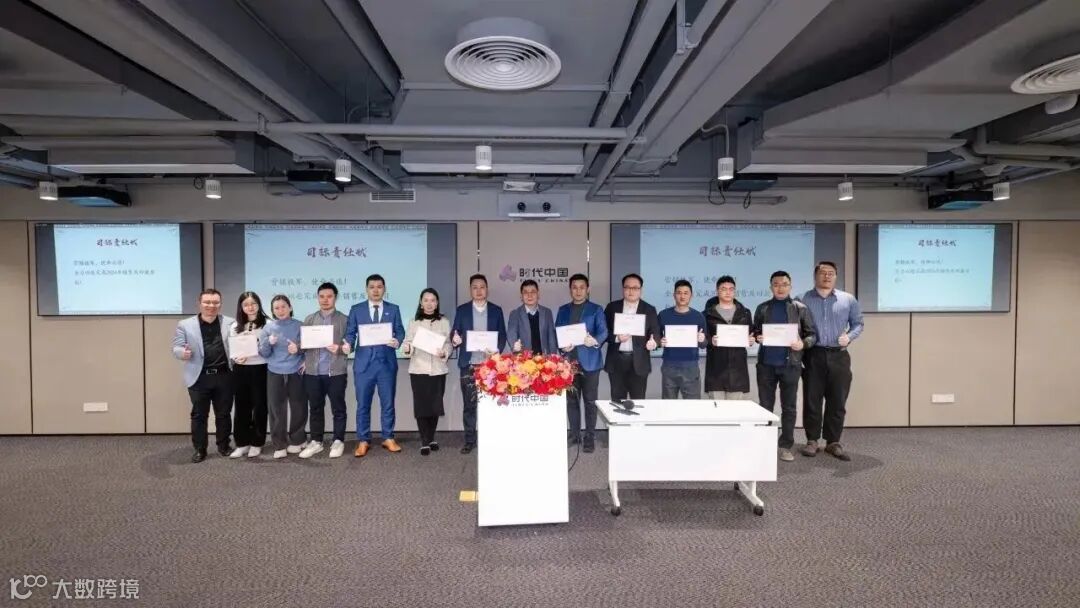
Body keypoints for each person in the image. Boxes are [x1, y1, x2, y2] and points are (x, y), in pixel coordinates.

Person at [798, 261, 864, 461]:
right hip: (813, 354)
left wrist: (849, 337)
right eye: (823, 272)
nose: (827, 276)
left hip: (839, 355)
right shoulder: (802, 299)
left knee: (837, 399)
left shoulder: (848, 299)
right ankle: (812, 440)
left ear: (836, 276)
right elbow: (795, 326)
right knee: (812, 399)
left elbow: (858, 324)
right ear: (815, 275)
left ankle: (833, 442)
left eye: (831, 273)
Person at [753, 270, 817, 462]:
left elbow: (812, 335)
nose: (780, 288)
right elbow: (755, 331)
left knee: (789, 407)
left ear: (790, 286)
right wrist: (757, 336)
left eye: (784, 284)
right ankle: (764, 444)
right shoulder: (762, 308)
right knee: (765, 406)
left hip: (791, 365)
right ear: (771, 287)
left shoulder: (800, 308)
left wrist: (802, 344)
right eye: (776, 284)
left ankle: (786, 446)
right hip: (766, 365)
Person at [343, 274, 405, 457]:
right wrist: (348, 345)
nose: (376, 290)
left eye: (379, 287)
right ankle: (363, 440)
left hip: (386, 364)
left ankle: (388, 437)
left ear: (384, 289)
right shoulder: (357, 309)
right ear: (366, 289)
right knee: (363, 404)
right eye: (372, 287)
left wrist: (397, 341)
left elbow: (400, 330)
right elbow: (351, 333)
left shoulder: (393, 309)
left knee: (388, 403)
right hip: (364, 365)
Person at [171, 288, 235, 463]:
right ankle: (200, 449)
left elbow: (238, 345)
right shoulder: (185, 324)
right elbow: (176, 347)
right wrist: (182, 353)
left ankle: (224, 446)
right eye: (207, 302)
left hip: (224, 376)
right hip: (199, 377)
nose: (211, 306)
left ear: (220, 304)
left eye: (215, 302)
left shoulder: (230, 323)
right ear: (199, 303)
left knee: (224, 414)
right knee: (199, 415)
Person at [450, 274, 507, 454]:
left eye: (482, 287)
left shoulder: (496, 310)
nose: (479, 290)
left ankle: (491, 439)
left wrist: (496, 350)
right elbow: (455, 332)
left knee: (491, 403)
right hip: (469, 364)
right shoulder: (462, 310)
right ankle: (469, 440)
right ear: (470, 290)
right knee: (469, 405)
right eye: (475, 287)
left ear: (487, 289)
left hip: (489, 366)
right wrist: (455, 338)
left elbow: (502, 335)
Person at [555, 273, 608, 453]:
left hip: (591, 363)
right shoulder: (563, 310)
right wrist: (562, 347)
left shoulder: (596, 309)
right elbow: (558, 332)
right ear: (570, 290)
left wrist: (594, 340)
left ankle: (589, 437)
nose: (578, 291)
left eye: (582, 287)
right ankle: (574, 434)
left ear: (588, 289)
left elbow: (603, 332)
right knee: (571, 402)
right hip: (569, 364)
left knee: (590, 402)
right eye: (574, 287)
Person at [298, 283, 349, 459]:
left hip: (335, 372)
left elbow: (350, 346)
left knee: (338, 408)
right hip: (313, 372)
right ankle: (316, 442)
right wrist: (299, 349)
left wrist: (340, 349)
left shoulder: (344, 319)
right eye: (322, 296)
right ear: (318, 298)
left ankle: (338, 440)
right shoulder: (310, 319)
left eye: (329, 296)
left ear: (336, 297)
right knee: (315, 408)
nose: (325, 300)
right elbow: (304, 345)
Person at [402, 288, 452, 456]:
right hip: (419, 369)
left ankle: (431, 437)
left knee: (435, 405)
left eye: (433, 300)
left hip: (438, 369)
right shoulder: (414, 322)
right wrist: (407, 348)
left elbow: (448, 344)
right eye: (426, 300)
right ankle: (425, 441)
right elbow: (408, 343)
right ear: (421, 303)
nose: (429, 303)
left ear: (437, 303)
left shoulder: (444, 321)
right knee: (422, 406)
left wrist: (444, 352)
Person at [258, 294, 307, 459]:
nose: (280, 310)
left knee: (299, 407)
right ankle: (279, 444)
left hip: (296, 371)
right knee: (276, 409)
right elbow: (264, 353)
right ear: (272, 311)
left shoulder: (300, 325)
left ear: (290, 307)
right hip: (274, 372)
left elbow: (308, 347)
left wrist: (298, 349)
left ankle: (297, 439)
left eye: (283, 306)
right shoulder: (267, 328)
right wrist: (268, 343)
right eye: (276, 308)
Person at [603, 273, 660, 401]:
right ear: (623, 288)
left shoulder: (649, 309)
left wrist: (654, 342)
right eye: (627, 287)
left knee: (638, 401)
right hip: (616, 361)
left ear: (641, 290)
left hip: (639, 362)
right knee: (617, 401)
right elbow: (603, 332)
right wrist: (616, 338)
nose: (631, 291)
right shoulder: (612, 307)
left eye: (635, 288)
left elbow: (655, 332)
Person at [228, 291, 269, 459]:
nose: (250, 307)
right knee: (241, 407)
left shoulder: (268, 324)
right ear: (241, 307)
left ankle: (257, 443)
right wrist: (236, 357)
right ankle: (242, 443)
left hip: (260, 368)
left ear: (259, 304)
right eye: (246, 305)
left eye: (253, 303)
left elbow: (270, 349)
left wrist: (254, 350)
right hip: (241, 369)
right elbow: (233, 349)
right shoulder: (235, 326)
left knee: (260, 407)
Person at [703, 276, 755, 399]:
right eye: (724, 289)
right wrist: (711, 341)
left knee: (735, 410)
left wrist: (751, 340)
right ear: (717, 291)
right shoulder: (707, 314)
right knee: (716, 409)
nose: (728, 292)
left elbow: (751, 334)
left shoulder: (745, 313)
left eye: (731, 289)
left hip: (737, 370)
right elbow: (702, 339)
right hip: (715, 369)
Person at [658, 279, 707, 399]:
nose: (682, 296)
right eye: (679, 293)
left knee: (692, 405)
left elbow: (704, 344)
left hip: (691, 366)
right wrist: (660, 342)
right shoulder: (663, 315)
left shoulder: (698, 316)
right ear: (674, 295)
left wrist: (701, 340)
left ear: (691, 295)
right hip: (669, 365)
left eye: (686, 293)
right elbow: (656, 339)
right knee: (668, 404)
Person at [506, 280, 558, 355]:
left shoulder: (547, 312)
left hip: (544, 359)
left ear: (538, 294)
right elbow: (511, 334)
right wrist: (514, 345)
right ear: (521, 296)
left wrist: (553, 356)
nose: (529, 295)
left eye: (533, 292)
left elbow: (551, 338)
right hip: (523, 359)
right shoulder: (515, 314)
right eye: (525, 292)